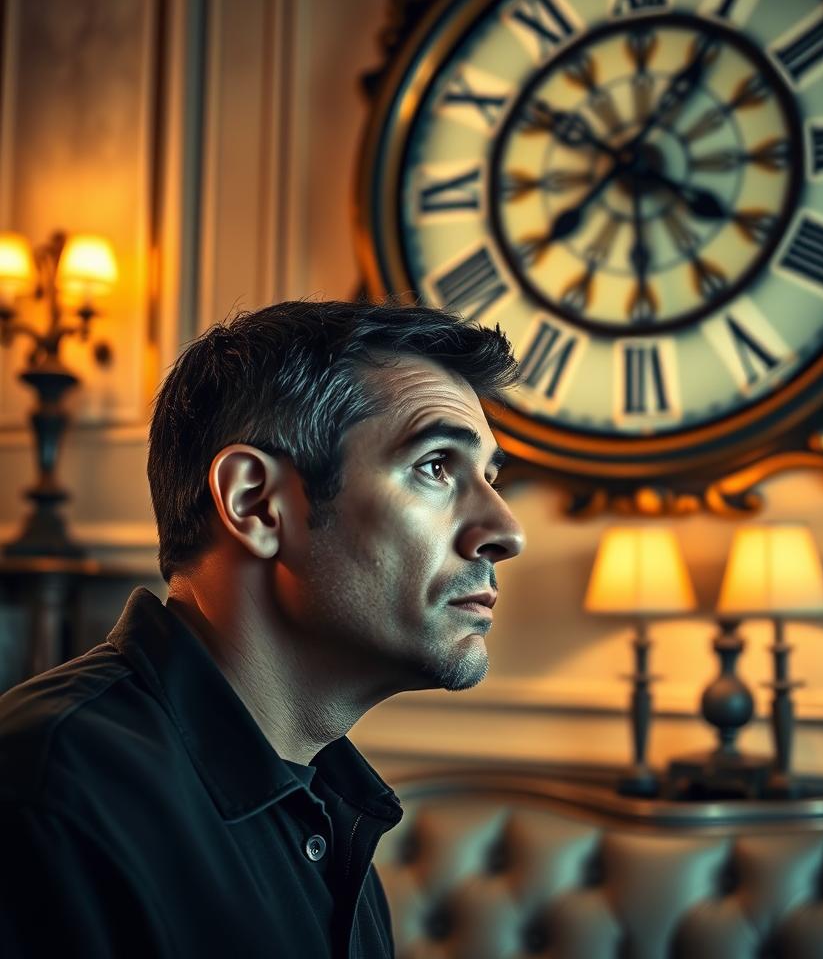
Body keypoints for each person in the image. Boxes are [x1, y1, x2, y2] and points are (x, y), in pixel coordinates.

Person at [0, 300, 526, 958]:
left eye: (490, 477)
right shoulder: (49, 798)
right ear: (256, 503)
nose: (506, 531)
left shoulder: (335, 811)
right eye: (436, 466)